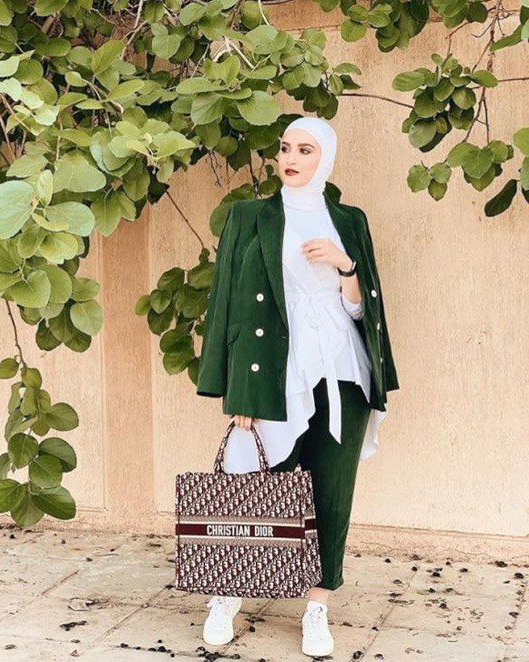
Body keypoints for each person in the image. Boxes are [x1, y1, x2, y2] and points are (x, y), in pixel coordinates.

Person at [197, 117, 399, 657]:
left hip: (343, 375)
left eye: (305, 150)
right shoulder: (249, 216)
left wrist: (346, 266)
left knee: (331, 492)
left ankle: (317, 607)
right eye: (286, 147)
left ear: (324, 158)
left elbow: (362, 311)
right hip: (273, 374)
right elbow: (227, 305)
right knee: (250, 482)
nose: (290, 158)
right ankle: (227, 594)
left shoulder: (349, 220)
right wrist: (236, 391)